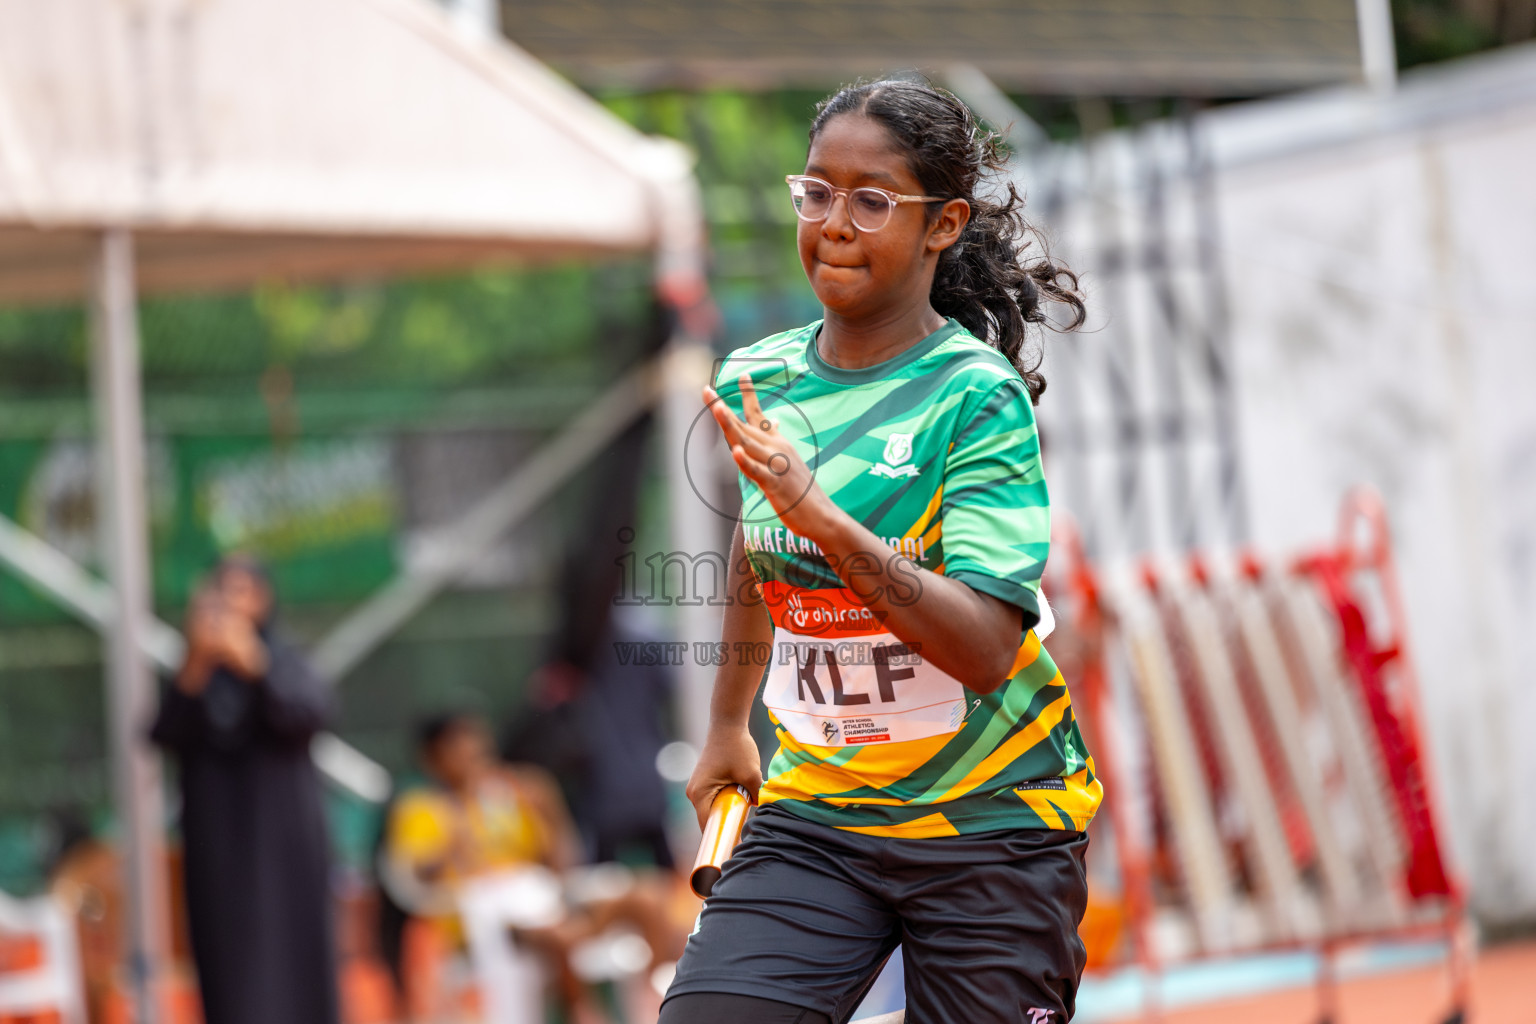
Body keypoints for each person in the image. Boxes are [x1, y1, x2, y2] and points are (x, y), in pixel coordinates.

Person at [659, 79, 1100, 1024]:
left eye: (871, 201)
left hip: (993, 820)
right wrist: (728, 723)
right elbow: (759, 541)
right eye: (816, 194)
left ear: (942, 225)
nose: (835, 225)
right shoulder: (759, 373)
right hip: (821, 813)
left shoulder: (974, 399)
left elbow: (983, 647)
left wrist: (821, 514)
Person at [148, 555, 339, 1024]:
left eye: (242, 591)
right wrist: (196, 662)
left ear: (263, 599)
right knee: (229, 960)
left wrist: (255, 663)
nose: (230, 605)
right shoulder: (196, 674)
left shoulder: (286, 658)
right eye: (221, 592)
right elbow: (161, 734)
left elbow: (309, 714)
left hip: (285, 842)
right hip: (220, 847)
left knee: (296, 956)